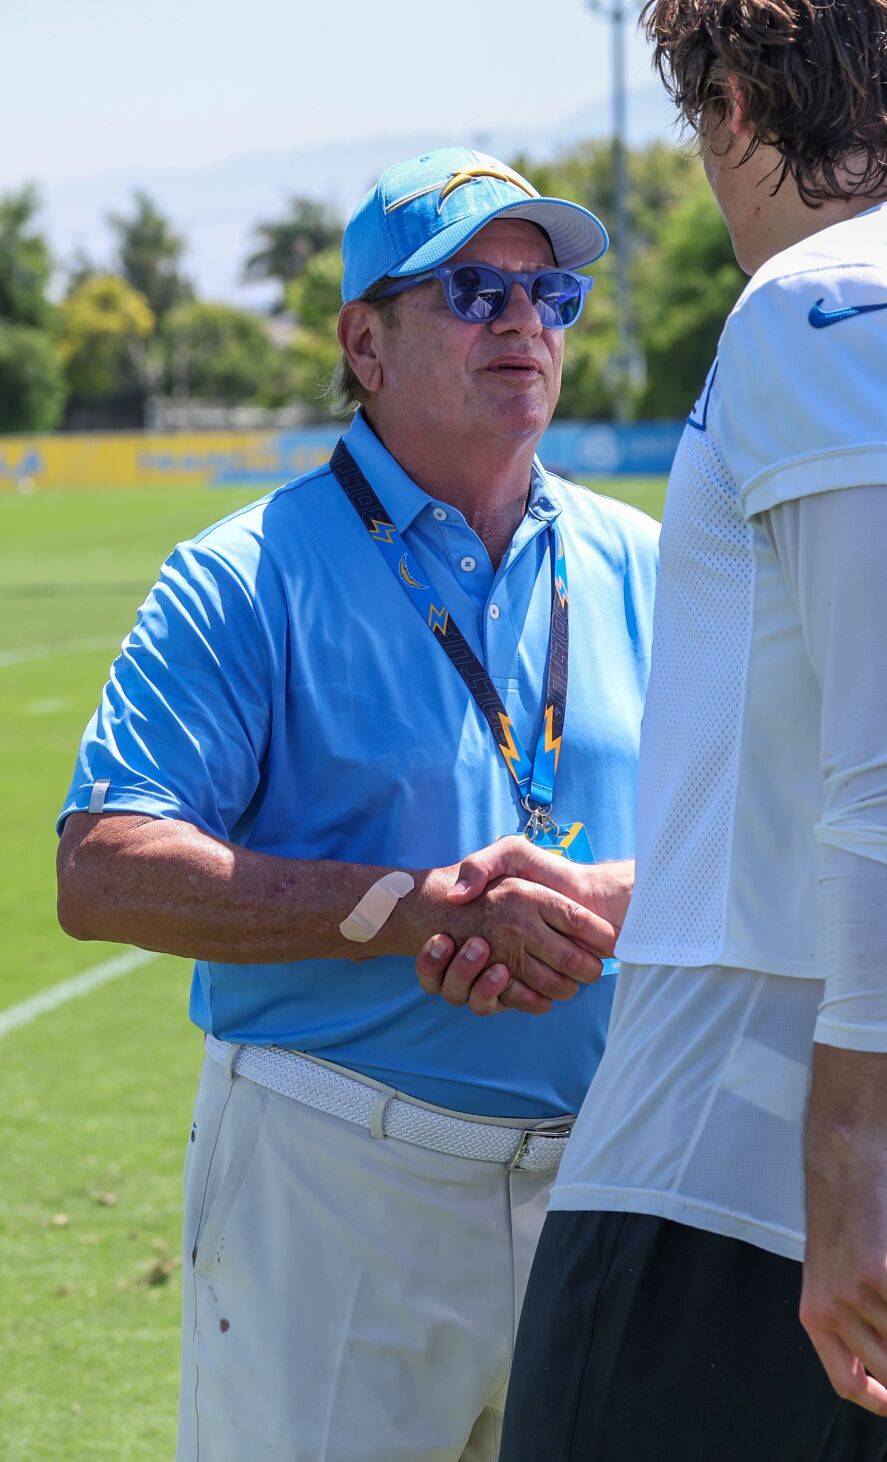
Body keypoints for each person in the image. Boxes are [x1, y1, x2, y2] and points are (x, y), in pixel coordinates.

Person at [418, 5, 887, 1458]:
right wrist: (656, 892)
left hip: (758, 1145)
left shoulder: (827, 307)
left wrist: (850, 1143)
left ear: (737, 106)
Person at [54, 146, 659, 1462]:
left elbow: (762, 837)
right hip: (336, 1186)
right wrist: (409, 910)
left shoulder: (653, 564)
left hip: (610, 1184)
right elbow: (101, 863)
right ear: (363, 343)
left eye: (548, 295)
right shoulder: (240, 577)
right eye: (473, 289)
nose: (522, 320)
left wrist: (606, 905)